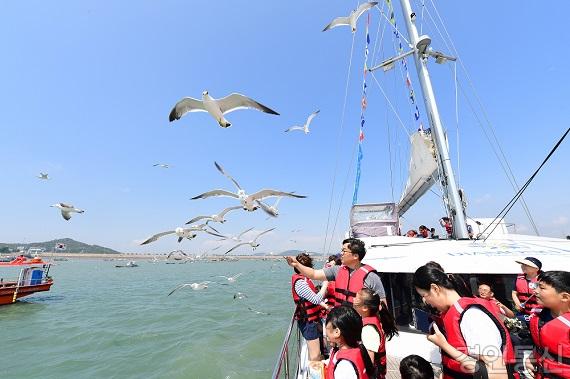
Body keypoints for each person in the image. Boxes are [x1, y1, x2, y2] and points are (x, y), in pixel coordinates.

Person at [413, 264, 517, 379]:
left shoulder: (472, 317)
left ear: (435, 289)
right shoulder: (453, 313)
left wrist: (445, 346)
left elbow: (498, 374)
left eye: (424, 295)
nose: (426, 301)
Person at [286, 238, 386, 308]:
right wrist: (297, 265)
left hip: (359, 325)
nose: (341, 254)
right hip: (340, 323)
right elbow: (313, 274)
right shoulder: (336, 270)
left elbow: (382, 303)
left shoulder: (371, 277)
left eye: (344, 251)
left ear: (355, 256)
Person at [527, 271, 570, 379]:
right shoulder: (539, 316)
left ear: (564, 297)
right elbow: (540, 344)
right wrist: (531, 357)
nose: (535, 291)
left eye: (542, 288)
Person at [291, 252, 329, 361]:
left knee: (320, 350)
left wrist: (325, 307)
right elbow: (316, 299)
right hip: (308, 322)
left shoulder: (305, 279)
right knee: (315, 355)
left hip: (313, 320)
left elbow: (311, 299)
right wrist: (325, 283)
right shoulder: (300, 283)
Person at [353, 288, 399, 378]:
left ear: (365, 308)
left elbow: (369, 360)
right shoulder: (375, 318)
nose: (353, 300)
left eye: (356, 298)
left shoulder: (369, 329)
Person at [325, 306, 374, 379]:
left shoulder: (344, 367)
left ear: (337, 332)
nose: (326, 335)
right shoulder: (356, 347)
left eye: (327, 329)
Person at [512, 257, 543, 324]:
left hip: (540, 312)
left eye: (526, 265)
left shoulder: (544, 279)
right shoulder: (519, 278)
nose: (523, 266)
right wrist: (517, 304)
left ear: (536, 269)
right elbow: (514, 293)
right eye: (522, 264)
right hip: (523, 311)